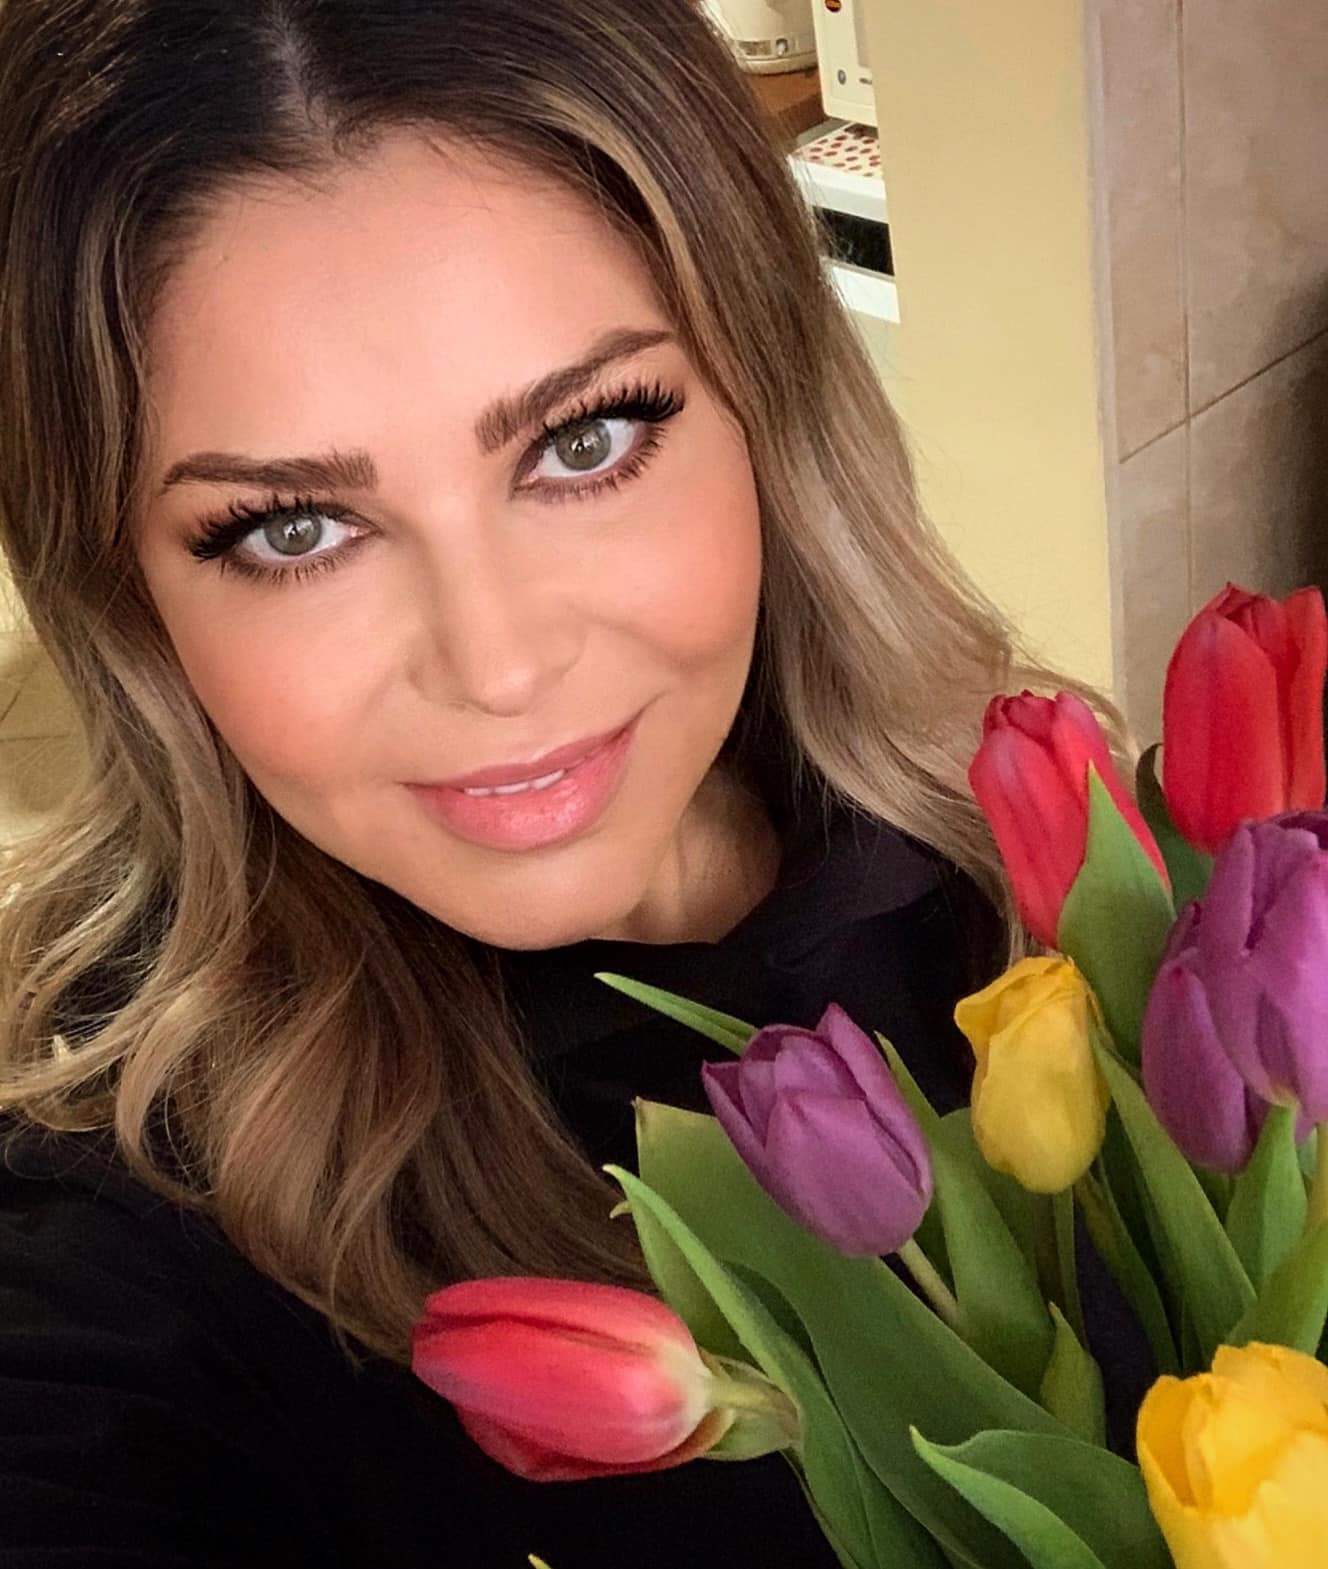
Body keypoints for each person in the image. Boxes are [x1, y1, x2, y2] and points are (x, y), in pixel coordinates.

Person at [0, 3, 1130, 1565]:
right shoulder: (132, 1225)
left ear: (768, 404)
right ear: (128, 593)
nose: (499, 665)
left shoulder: (1051, 854)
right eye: (291, 528)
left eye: (585, 441)